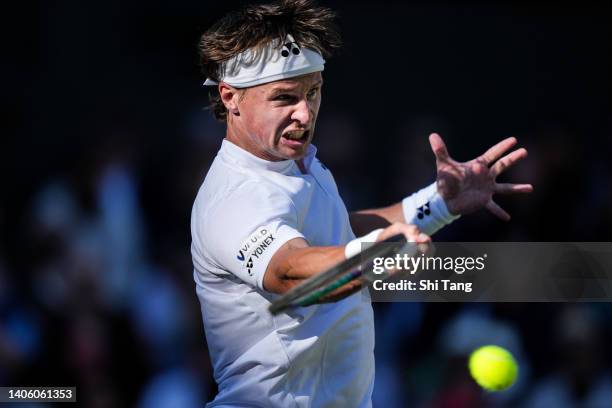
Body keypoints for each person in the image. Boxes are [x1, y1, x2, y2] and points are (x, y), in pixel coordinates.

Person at [190, 1, 533, 406]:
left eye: (313, 91)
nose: (305, 113)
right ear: (231, 97)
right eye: (284, 98)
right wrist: (372, 257)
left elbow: (336, 234)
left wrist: (439, 203)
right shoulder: (235, 199)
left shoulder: (296, 164)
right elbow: (290, 273)